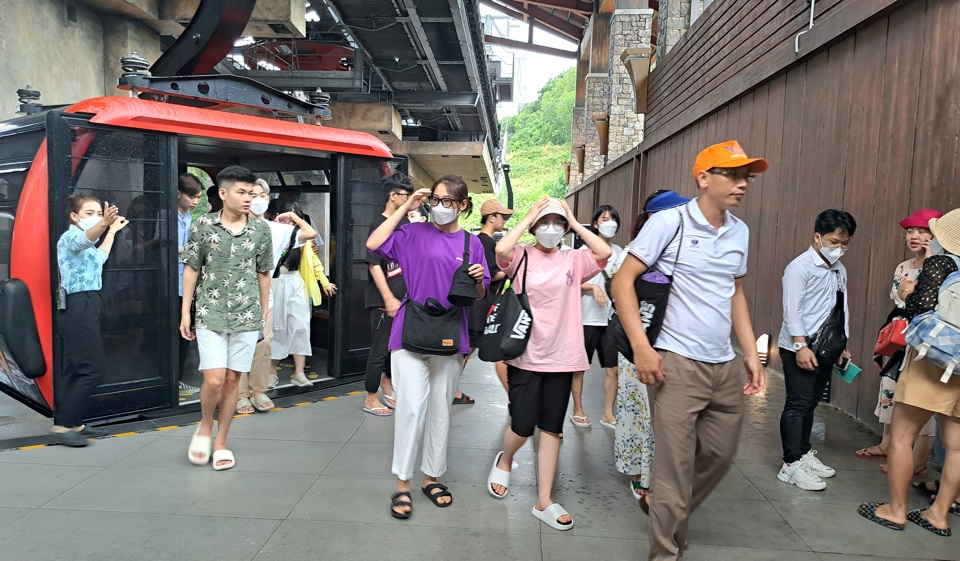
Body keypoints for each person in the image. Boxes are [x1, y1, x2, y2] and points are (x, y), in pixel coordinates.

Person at [612, 141, 767, 561]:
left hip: (724, 364)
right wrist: (643, 348)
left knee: (718, 454)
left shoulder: (740, 231)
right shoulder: (669, 223)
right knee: (673, 468)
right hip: (675, 363)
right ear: (703, 178)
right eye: (733, 175)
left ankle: (665, 507)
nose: (742, 184)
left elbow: (735, 291)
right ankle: (665, 551)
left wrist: (750, 351)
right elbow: (622, 281)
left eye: (746, 177)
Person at [366, 174, 489, 519]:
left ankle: (430, 477)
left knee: (439, 409)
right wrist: (406, 206)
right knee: (410, 408)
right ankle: (402, 483)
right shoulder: (411, 233)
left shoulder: (472, 243)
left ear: (463, 206)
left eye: (448, 201)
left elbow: (480, 294)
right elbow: (374, 244)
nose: (440, 207)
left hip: (451, 332)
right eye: (435, 199)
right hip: (410, 330)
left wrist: (479, 280)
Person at [486, 197, 611, 531]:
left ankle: (544, 500)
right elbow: (502, 252)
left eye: (558, 223)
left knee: (552, 429)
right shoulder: (522, 254)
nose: (551, 229)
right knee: (523, 424)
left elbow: (604, 253)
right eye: (546, 222)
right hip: (525, 353)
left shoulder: (574, 258)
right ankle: (507, 458)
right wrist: (528, 217)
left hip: (563, 355)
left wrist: (574, 219)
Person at [860, 208, 960, 536]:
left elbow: (919, 306)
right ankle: (939, 515)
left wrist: (906, 294)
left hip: (930, 360)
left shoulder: (940, 263)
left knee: (902, 436)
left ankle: (896, 510)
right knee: (957, 446)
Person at [181, 166, 273, 471]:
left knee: (234, 380)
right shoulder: (203, 225)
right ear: (223, 193)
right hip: (210, 312)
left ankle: (221, 441)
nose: (249, 198)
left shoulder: (261, 230)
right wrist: (186, 312)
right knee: (215, 379)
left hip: (246, 315)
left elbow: (263, 272)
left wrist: (263, 311)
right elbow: (192, 267)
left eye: (253, 193)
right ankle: (205, 425)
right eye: (242, 192)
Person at [613, 190, 690, 503]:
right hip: (638, 346)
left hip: (674, 345)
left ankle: (662, 474)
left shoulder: (686, 253)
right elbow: (620, 295)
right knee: (639, 413)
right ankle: (639, 474)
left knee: (668, 417)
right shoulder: (636, 252)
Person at [856, 209, 943, 474]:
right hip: (899, 335)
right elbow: (899, 299)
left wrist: (929, 260)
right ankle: (886, 443)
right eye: (910, 231)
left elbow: (928, 305)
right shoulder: (903, 267)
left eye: (922, 231)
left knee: (920, 396)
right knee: (890, 387)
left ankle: (918, 462)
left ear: (936, 235)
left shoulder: (941, 266)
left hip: (924, 341)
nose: (914, 236)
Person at [776, 210, 857, 491]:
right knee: (797, 404)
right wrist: (800, 346)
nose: (839, 249)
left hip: (825, 348)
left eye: (845, 243)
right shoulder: (799, 268)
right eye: (834, 242)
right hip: (799, 347)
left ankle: (803, 453)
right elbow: (792, 310)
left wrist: (842, 345)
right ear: (817, 237)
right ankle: (790, 465)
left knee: (811, 403)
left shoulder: (839, 270)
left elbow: (840, 308)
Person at [236, 179, 317, 413]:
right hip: (239, 294)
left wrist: (293, 218)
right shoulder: (234, 226)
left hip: (266, 294)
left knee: (265, 344)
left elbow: (309, 233)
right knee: (242, 345)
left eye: (262, 195)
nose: (256, 200)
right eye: (252, 195)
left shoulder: (275, 228)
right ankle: (241, 394)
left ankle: (258, 390)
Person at [53, 195, 128, 447]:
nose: (95, 217)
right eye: (89, 213)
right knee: (91, 369)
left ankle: (71, 423)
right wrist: (105, 224)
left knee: (74, 368)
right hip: (76, 305)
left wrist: (112, 230)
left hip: (87, 303)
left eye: (98, 212)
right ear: (74, 217)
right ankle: (65, 427)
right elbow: (87, 238)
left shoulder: (86, 244)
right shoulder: (70, 237)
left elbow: (100, 258)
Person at [270, 200, 336, 387]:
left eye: (293, 220)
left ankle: (299, 372)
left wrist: (324, 282)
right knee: (276, 327)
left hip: (296, 281)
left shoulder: (301, 238)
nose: (289, 224)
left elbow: (314, 261)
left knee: (300, 326)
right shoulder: (271, 234)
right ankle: (271, 372)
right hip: (276, 283)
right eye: (286, 219)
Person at [362, 173, 412, 416]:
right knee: (379, 350)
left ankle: (387, 384)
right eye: (405, 195)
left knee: (397, 350)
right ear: (392, 196)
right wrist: (388, 298)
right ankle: (370, 397)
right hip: (384, 300)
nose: (409, 200)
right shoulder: (379, 224)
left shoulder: (407, 226)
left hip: (404, 299)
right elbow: (373, 265)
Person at [570, 205, 624, 429]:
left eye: (613, 219)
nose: (609, 223)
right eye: (604, 219)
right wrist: (592, 286)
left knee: (612, 369)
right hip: (586, 318)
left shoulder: (621, 252)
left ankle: (608, 413)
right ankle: (578, 410)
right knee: (579, 367)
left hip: (610, 319)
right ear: (595, 225)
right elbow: (571, 282)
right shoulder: (583, 252)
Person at [469, 199, 514, 394]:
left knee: (469, 347)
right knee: (492, 350)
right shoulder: (485, 242)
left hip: (481, 303)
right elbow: (490, 275)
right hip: (483, 303)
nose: (504, 220)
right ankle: (514, 397)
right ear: (491, 217)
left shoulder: (482, 241)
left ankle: (451, 390)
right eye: (502, 216)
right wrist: (511, 270)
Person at [177, 174, 203, 395]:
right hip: (175, 282)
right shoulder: (170, 216)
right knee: (178, 335)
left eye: (198, 197)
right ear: (179, 194)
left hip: (186, 282)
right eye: (191, 196)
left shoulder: (188, 217)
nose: (195, 201)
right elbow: (171, 246)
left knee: (184, 336)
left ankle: (178, 379)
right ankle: (174, 380)